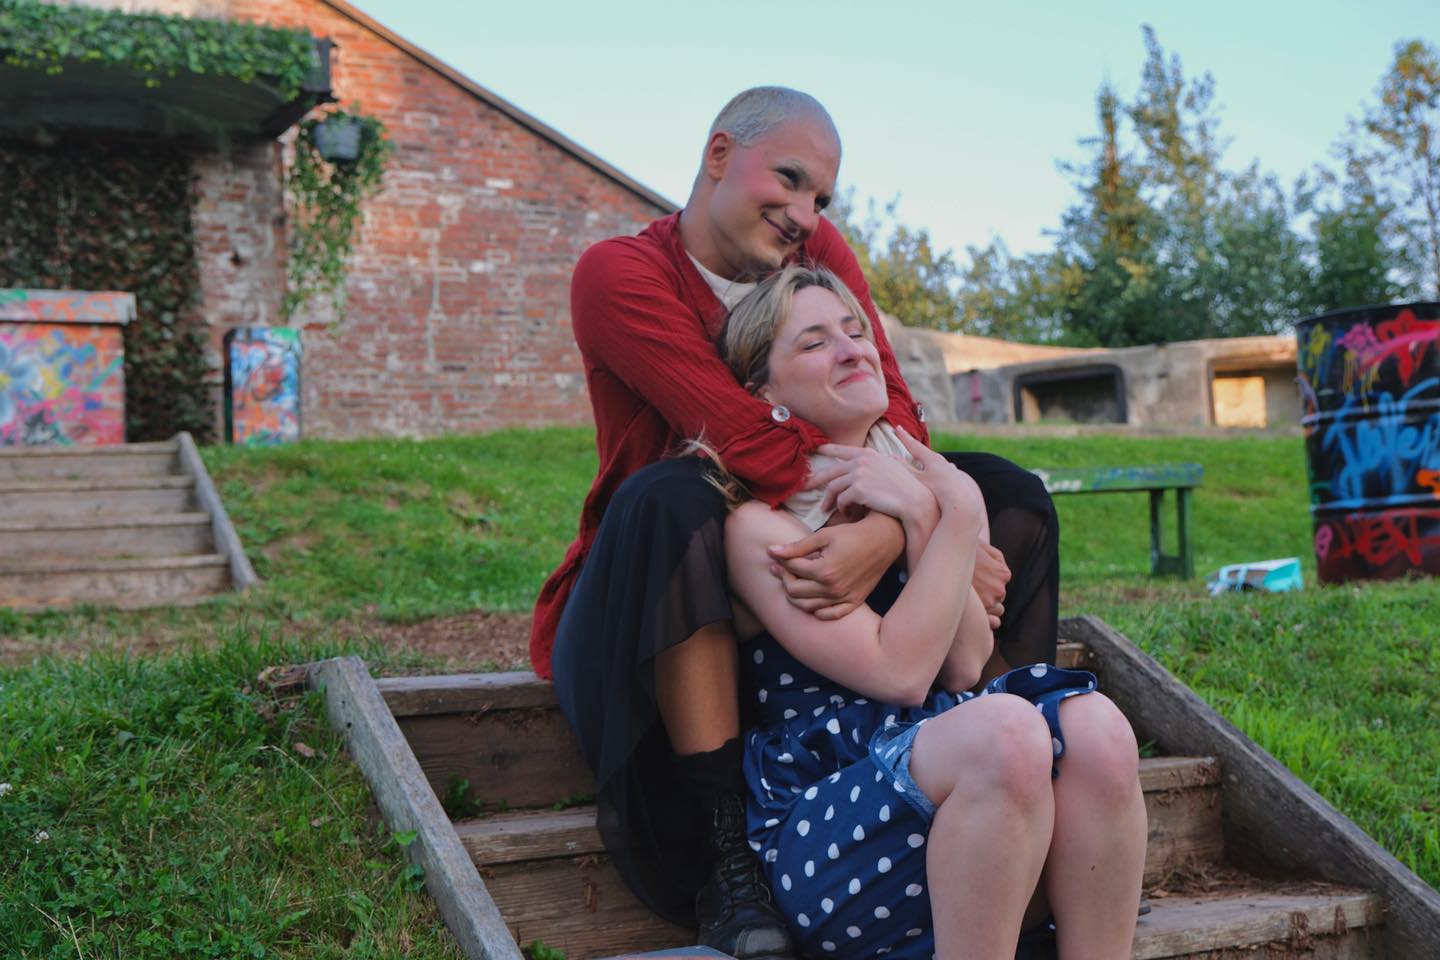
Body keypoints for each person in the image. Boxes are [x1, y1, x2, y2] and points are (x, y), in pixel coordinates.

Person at [532, 86, 1060, 958]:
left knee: (1008, 490)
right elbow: (740, 436)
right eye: (790, 179)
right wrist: (916, 525)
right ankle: (725, 854)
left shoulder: (816, 250)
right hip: (660, 580)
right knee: (674, 495)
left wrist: (895, 527)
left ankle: (1009, 762)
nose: (805, 212)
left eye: (823, 197)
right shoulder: (619, 273)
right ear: (716, 155)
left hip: (809, 544)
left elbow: (892, 407)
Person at [719, 264, 1148, 960]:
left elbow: (967, 660)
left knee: (1097, 728)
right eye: (816, 342)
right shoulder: (759, 528)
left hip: (956, 794)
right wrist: (955, 510)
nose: (854, 349)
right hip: (828, 839)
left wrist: (923, 510)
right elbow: (904, 674)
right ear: (762, 388)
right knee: (1007, 732)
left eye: (856, 332)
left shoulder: (909, 487)